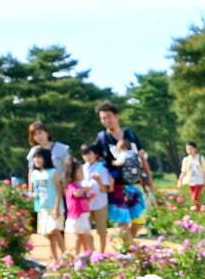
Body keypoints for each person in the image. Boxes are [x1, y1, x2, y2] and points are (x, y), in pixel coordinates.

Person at [94, 102, 148, 244]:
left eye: (109, 117)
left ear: (116, 116)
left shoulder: (130, 134)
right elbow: (97, 158)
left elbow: (141, 152)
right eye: (103, 118)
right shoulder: (102, 137)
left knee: (139, 219)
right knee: (122, 220)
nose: (106, 121)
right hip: (115, 184)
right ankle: (127, 250)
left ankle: (126, 243)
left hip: (134, 182)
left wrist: (148, 177)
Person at [28, 148, 65, 266]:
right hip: (42, 207)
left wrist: (57, 207)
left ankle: (65, 256)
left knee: (55, 230)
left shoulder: (52, 172)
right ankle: (55, 259)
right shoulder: (34, 174)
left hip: (53, 206)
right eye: (35, 157)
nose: (36, 160)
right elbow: (35, 191)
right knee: (49, 234)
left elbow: (59, 191)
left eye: (39, 157)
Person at [79, 145, 113, 254]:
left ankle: (102, 252)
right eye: (85, 154)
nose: (87, 157)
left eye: (89, 154)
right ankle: (91, 251)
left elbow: (105, 189)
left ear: (95, 155)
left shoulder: (102, 168)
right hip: (86, 204)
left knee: (102, 230)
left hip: (100, 203)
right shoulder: (81, 168)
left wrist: (99, 181)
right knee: (85, 229)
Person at [61, 156, 95, 259]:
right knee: (82, 237)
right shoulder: (72, 186)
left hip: (82, 215)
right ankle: (81, 256)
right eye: (80, 171)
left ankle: (85, 256)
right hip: (77, 217)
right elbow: (77, 194)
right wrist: (86, 189)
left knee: (83, 237)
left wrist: (90, 198)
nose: (82, 173)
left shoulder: (78, 186)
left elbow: (82, 200)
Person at [178, 142, 205, 207]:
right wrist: (180, 180)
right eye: (187, 149)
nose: (189, 150)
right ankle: (199, 211)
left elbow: (204, 171)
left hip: (199, 181)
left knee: (194, 198)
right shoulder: (186, 159)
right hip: (190, 181)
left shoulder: (200, 158)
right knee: (196, 199)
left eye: (191, 149)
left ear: (195, 149)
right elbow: (183, 171)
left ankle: (197, 210)